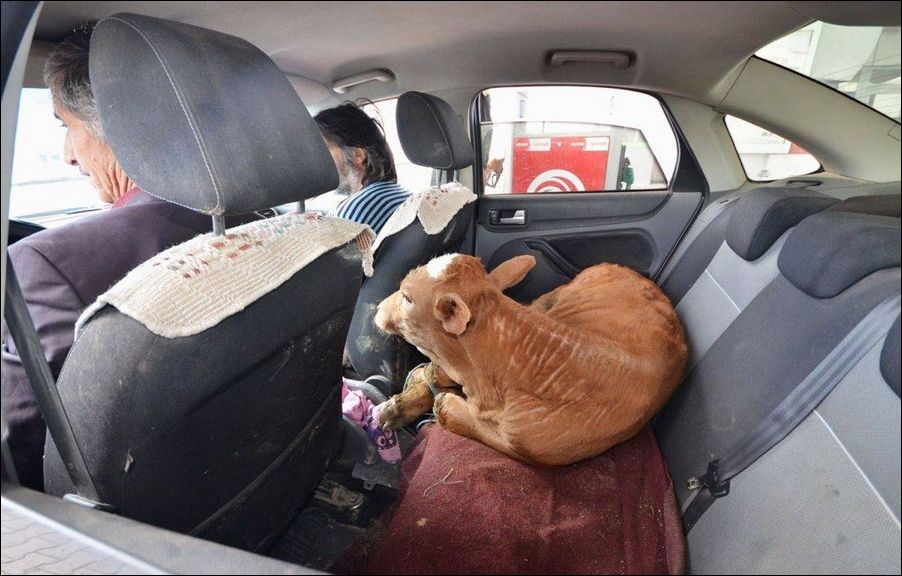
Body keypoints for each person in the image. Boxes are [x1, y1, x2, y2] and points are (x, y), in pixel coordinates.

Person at [1, 23, 218, 490]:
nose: (67, 156)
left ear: (117, 128)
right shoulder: (259, 224)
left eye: (67, 126)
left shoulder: (42, 265)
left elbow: (18, 457)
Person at [314, 102, 411, 235]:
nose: (318, 159)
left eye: (324, 149)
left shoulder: (357, 211)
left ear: (357, 155)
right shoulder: (398, 194)